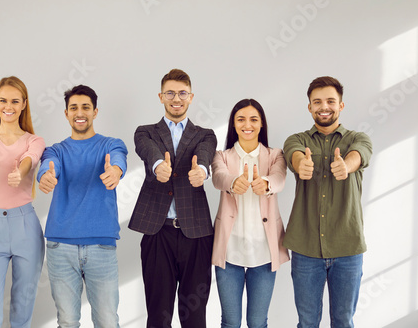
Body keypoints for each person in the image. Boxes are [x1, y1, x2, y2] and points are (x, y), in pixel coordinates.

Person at [129, 68, 217, 327]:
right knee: (158, 314)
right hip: (158, 233)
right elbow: (148, 151)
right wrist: (158, 166)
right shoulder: (145, 132)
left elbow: (204, 153)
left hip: (197, 234)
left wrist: (201, 170)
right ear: (160, 96)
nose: (176, 98)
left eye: (181, 93)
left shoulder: (205, 134)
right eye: (170, 93)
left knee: (195, 315)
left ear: (191, 97)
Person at [283, 76, 372, 328]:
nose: (324, 107)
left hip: (348, 248)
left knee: (343, 321)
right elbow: (294, 156)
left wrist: (347, 165)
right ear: (309, 107)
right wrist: (302, 165)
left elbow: (359, 155)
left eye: (331, 101)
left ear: (341, 105)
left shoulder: (358, 138)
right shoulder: (297, 139)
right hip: (306, 248)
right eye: (317, 102)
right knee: (307, 322)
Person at [37, 85, 127, 328]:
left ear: (95, 112)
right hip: (61, 246)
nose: (80, 112)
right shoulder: (56, 150)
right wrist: (45, 175)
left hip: (101, 246)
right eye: (74, 107)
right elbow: (48, 163)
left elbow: (118, 158)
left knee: (107, 321)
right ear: (66, 113)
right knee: (67, 321)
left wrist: (115, 171)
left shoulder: (110, 145)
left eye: (86, 107)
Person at [0, 76, 45, 328]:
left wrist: (21, 171)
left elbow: (31, 157)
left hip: (25, 227)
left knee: (21, 314)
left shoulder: (34, 141)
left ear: (24, 104)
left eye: (15, 101)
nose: (9, 106)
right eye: (3, 100)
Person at [211, 99, 290, 328]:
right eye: (241, 119)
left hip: (264, 252)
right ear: (233, 125)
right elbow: (218, 176)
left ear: (262, 124)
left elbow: (279, 178)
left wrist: (265, 184)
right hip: (229, 253)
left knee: (258, 322)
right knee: (230, 322)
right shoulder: (222, 156)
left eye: (254, 119)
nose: (248, 124)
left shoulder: (275, 155)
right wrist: (233, 182)